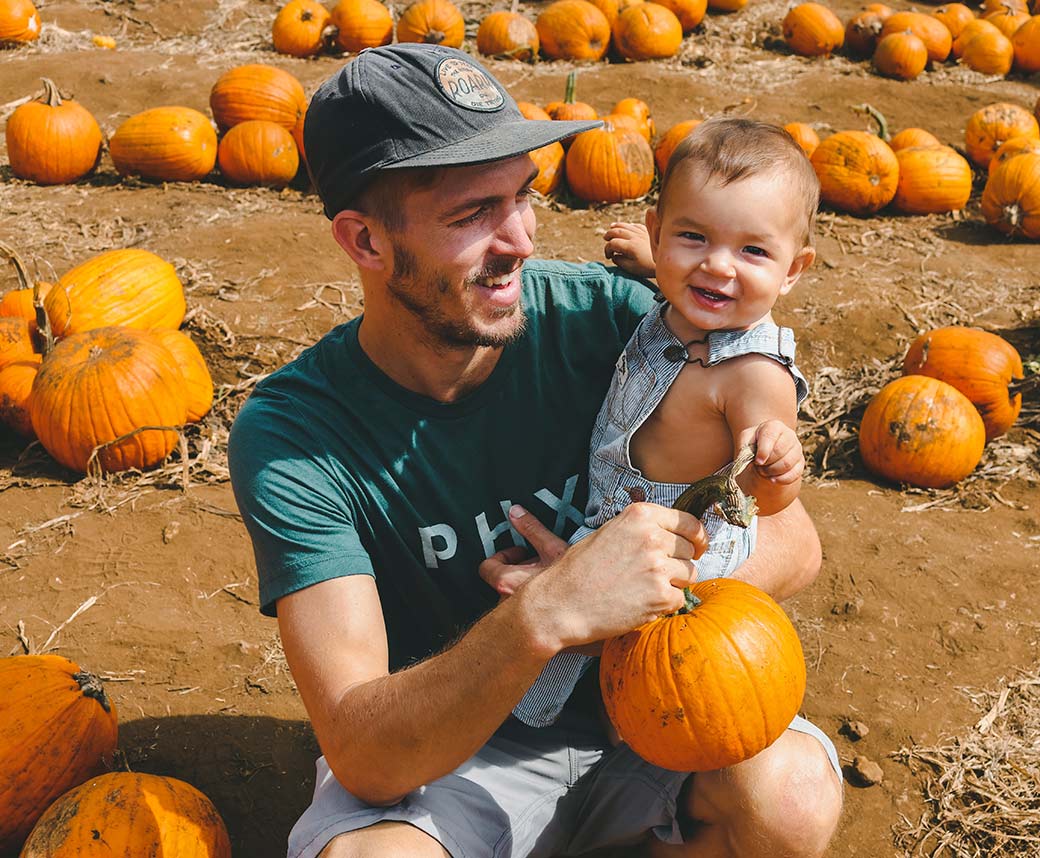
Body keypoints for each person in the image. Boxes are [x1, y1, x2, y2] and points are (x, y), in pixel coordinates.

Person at [227, 42, 842, 858]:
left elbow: (795, 544)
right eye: (471, 214)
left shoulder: (621, 324)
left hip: (658, 714)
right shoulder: (296, 437)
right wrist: (548, 616)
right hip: (459, 760)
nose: (519, 239)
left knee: (789, 795)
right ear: (366, 243)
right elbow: (365, 753)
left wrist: (629, 606)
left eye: (523, 196)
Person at [512, 116, 823, 731]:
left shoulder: (755, 373)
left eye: (753, 251)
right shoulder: (689, 305)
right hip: (627, 515)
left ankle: (538, 718)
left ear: (792, 270)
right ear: (658, 233)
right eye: (692, 237)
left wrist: (780, 459)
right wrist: (656, 263)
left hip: (689, 543)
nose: (719, 267)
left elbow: (765, 500)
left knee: (605, 651)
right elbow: (697, 286)